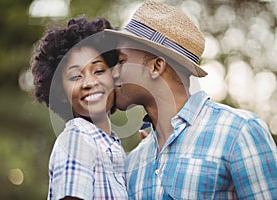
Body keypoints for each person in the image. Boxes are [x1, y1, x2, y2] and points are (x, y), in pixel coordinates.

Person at [105, 1, 277, 199]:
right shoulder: (134, 161)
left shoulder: (240, 131)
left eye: (121, 61)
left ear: (156, 66)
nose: (113, 73)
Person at [31, 17, 128, 200]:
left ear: (114, 77)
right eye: (75, 76)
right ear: (60, 92)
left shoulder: (112, 146)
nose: (90, 83)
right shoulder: (77, 138)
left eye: (99, 71)